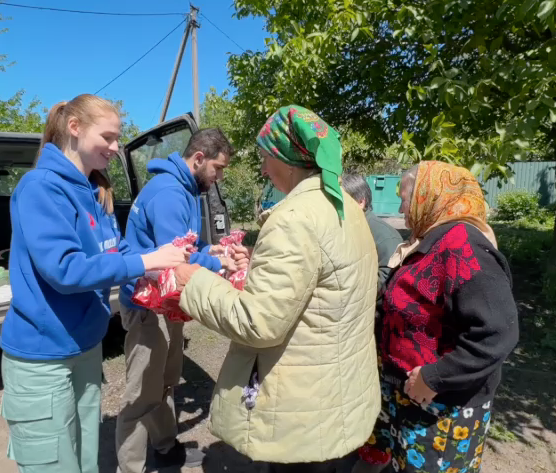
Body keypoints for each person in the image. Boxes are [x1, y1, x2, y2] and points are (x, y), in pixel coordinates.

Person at [173, 105, 380, 473]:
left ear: (287, 158)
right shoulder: (344, 206)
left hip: (300, 410)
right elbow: (324, 282)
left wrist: (194, 281)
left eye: (266, 157)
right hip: (337, 395)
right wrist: (259, 261)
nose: (264, 169)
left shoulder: (295, 218)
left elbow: (260, 322)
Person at [0, 94, 188, 473]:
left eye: (118, 139)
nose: (116, 148)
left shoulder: (92, 191)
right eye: (109, 137)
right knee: (52, 464)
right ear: (74, 129)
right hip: (44, 356)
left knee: (84, 459)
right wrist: (145, 261)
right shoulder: (41, 187)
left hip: (85, 348)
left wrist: (166, 264)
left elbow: (115, 252)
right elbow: (65, 270)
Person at [353, 161, 519, 473]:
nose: (402, 209)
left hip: (443, 406)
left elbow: (497, 333)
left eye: (406, 199)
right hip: (412, 397)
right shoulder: (429, 241)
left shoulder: (462, 246)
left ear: (431, 197)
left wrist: (434, 377)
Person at [115, 128, 247, 473]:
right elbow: (177, 260)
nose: (219, 177)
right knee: (142, 391)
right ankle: (132, 466)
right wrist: (219, 263)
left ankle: (165, 448)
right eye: (218, 168)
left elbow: (186, 246)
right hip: (147, 304)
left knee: (164, 380)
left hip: (165, 300)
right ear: (199, 158)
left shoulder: (185, 189)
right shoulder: (170, 193)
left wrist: (211, 250)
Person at [341, 173, 405, 289]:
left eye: (341, 201)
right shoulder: (347, 226)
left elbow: (386, 280)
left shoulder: (385, 236)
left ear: (361, 202)